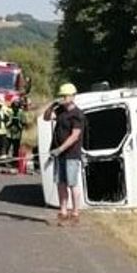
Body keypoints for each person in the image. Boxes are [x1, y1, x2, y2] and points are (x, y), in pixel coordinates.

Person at [44, 82, 86, 225]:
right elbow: (46, 118)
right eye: (61, 96)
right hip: (58, 154)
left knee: (72, 184)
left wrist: (60, 149)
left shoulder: (78, 115)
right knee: (60, 183)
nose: (62, 98)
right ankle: (63, 211)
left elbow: (74, 136)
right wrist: (51, 106)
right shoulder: (60, 111)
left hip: (71, 155)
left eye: (65, 96)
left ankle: (75, 212)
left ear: (73, 96)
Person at [4, 97, 29, 175]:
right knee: (6, 148)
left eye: (17, 105)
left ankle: (14, 162)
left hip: (17, 134)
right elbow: (5, 121)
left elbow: (24, 123)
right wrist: (11, 122)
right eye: (14, 105)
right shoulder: (9, 111)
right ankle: (4, 161)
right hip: (9, 133)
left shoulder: (21, 112)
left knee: (15, 149)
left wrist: (19, 124)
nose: (16, 106)